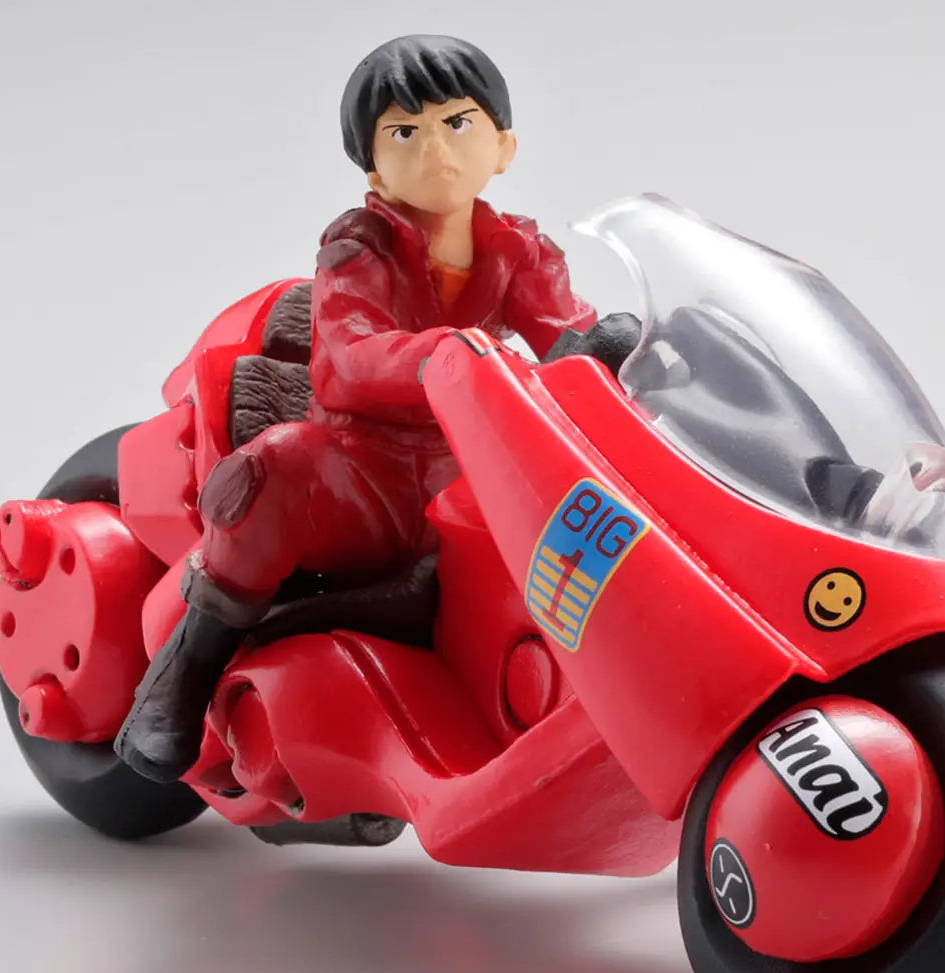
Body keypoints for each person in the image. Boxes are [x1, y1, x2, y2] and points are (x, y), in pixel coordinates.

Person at [115, 34, 598, 782]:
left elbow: (563, 332)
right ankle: (182, 675)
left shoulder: (518, 250)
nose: (435, 149)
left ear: (503, 146)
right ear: (374, 168)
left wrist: (613, 347)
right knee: (272, 472)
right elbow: (349, 355)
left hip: (468, 468)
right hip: (357, 471)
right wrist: (444, 354)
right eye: (404, 132)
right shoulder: (359, 245)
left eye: (457, 123)